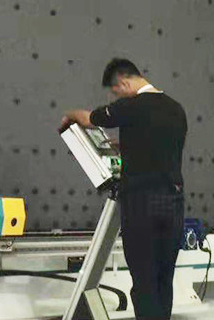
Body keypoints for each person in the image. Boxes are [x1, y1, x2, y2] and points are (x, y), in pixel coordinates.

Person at [62, 58, 188, 320]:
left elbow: (90, 119)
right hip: (174, 203)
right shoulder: (176, 109)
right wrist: (128, 147)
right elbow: (160, 148)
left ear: (123, 81)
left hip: (142, 204)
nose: (117, 97)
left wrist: (70, 115)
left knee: (144, 280)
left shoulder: (133, 105)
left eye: (116, 91)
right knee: (163, 278)